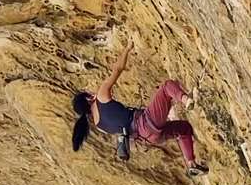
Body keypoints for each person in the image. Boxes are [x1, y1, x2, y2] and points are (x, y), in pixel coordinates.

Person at [71, 39, 208, 175]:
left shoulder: (99, 125)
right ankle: (186, 100)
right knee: (167, 87)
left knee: (184, 128)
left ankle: (191, 164)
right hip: (146, 123)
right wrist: (127, 48)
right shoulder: (101, 97)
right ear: (88, 98)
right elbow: (117, 69)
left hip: (148, 139)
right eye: (88, 93)